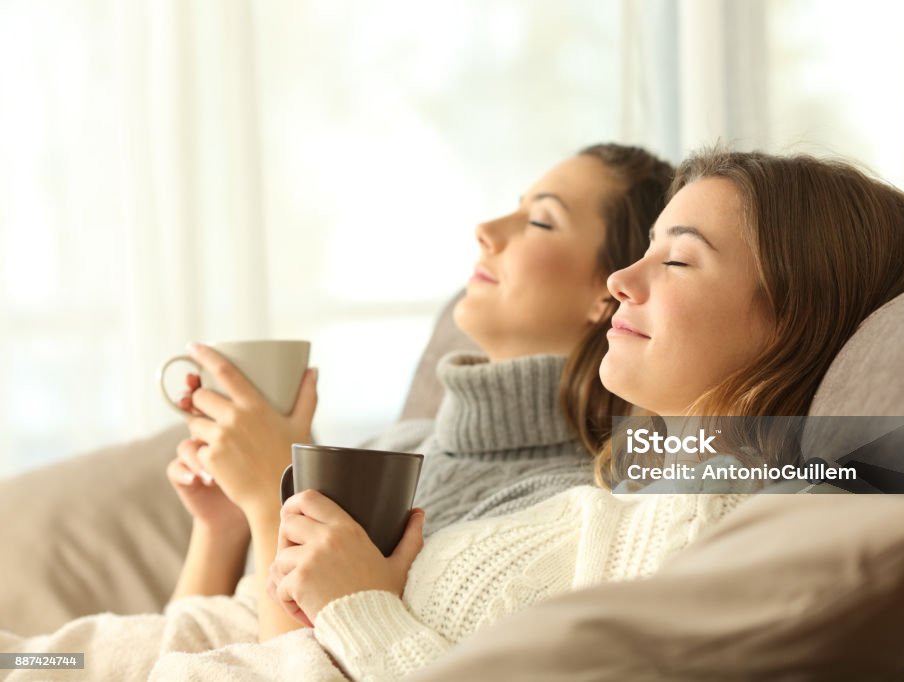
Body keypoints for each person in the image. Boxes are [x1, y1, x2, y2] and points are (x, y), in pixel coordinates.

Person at [141, 147, 904, 680]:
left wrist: (346, 595)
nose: (620, 285)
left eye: (676, 259)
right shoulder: (618, 498)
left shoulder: (730, 513)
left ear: (793, 312)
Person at [0, 143, 674, 678]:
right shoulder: (402, 442)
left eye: (539, 220)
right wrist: (222, 526)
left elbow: (291, 665)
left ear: (613, 292)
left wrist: (273, 496)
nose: (486, 231)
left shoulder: (559, 503)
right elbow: (206, 641)